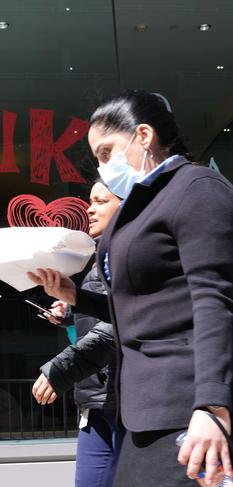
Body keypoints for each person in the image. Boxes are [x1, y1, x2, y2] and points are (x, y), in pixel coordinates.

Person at [27, 90, 233, 487]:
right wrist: (76, 296)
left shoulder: (197, 189)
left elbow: (215, 300)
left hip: (186, 403)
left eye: (107, 153)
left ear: (143, 135)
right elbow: (139, 308)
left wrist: (213, 404)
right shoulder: (143, 206)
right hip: (142, 407)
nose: (104, 168)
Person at [33, 179, 124, 487]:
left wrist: (60, 370)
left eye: (100, 201)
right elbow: (105, 312)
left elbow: (118, 325)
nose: (89, 208)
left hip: (123, 401)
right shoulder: (101, 258)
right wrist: (69, 312)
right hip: (97, 399)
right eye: (90, 201)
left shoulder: (127, 259)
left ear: (126, 205)